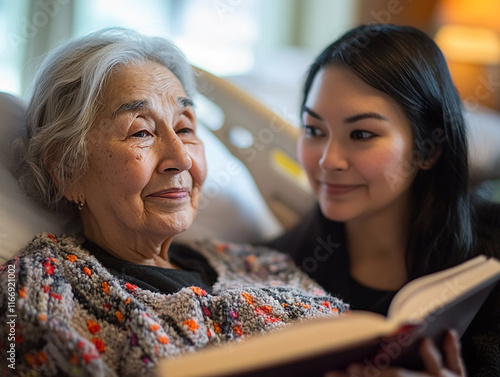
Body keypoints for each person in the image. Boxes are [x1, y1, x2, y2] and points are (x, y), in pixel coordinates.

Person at [0, 28, 349, 377]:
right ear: (67, 168)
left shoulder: (259, 263)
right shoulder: (41, 292)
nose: (181, 158)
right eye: (141, 132)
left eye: (184, 129)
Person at [267, 24, 500, 377]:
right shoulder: (274, 271)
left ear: (428, 149)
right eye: (314, 130)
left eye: (361, 134)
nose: (329, 160)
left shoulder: (490, 265)